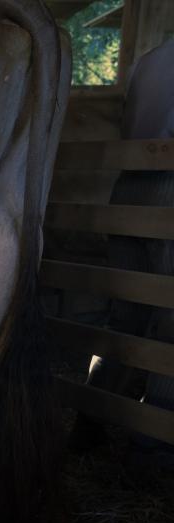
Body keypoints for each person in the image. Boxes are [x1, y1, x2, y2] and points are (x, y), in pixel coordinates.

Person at [70, 39, 174, 463]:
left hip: (128, 187)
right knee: (171, 322)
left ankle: (90, 420)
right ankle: (154, 442)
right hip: (169, 190)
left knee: (127, 316)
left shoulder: (146, 60)